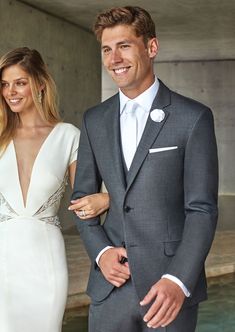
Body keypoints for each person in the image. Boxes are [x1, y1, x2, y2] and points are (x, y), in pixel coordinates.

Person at [72, 6, 218, 332]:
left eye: (124, 46)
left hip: (167, 292)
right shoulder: (94, 120)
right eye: (107, 50)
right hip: (110, 289)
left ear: (151, 47)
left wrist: (178, 280)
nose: (114, 59)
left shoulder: (192, 117)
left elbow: (202, 210)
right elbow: (81, 199)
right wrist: (102, 252)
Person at [0, 47, 109, 332]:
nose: (11, 91)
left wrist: (107, 198)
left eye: (20, 82)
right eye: (4, 84)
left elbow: (85, 200)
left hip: (45, 262)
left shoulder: (68, 136)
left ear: (40, 84)